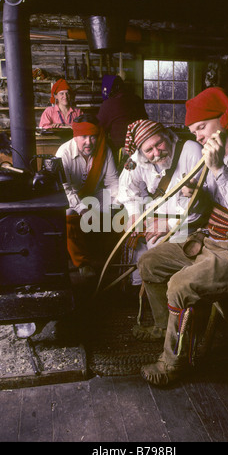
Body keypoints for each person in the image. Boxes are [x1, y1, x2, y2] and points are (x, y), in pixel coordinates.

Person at [137, 87, 228, 386]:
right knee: (149, 262)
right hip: (210, 238)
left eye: (201, 128)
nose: (198, 137)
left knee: (180, 284)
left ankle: (172, 364)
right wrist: (197, 195)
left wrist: (218, 168)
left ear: (224, 118)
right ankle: (165, 329)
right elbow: (207, 209)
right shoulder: (212, 152)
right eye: (193, 131)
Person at [117, 119, 211, 340]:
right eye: (148, 149)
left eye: (159, 144)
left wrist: (169, 224)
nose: (156, 153)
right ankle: (163, 323)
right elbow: (127, 187)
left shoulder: (191, 151)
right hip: (159, 221)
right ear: (141, 151)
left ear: (167, 137)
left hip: (193, 225)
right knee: (148, 258)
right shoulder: (138, 160)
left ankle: (183, 326)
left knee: (161, 264)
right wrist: (133, 213)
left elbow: (202, 203)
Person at [56, 113, 119, 276]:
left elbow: (113, 183)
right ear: (75, 136)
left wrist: (114, 207)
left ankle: (109, 257)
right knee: (68, 215)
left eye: (93, 137)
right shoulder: (63, 153)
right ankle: (82, 263)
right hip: (71, 197)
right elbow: (66, 189)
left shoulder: (105, 150)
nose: (88, 142)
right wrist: (83, 210)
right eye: (84, 137)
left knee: (119, 212)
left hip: (95, 194)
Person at [97, 75, 148, 168]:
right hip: (143, 146)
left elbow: (99, 127)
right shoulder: (137, 99)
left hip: (122, 151)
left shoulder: (108, 104)